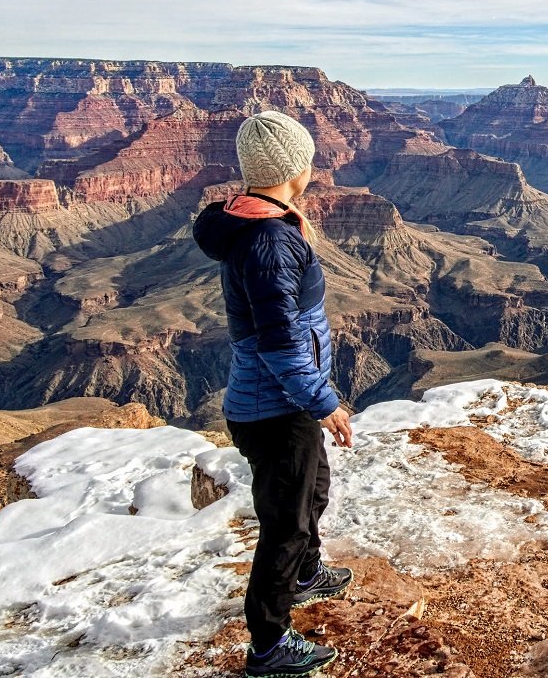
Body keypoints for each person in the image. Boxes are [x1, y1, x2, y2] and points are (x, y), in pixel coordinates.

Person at [193, 109, 355, 677]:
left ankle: (307, 574)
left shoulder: (256, 221)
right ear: (296, 167)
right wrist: (324, 402)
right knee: (283, 524)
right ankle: (269, 645)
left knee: (313, 491)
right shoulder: (269, 240)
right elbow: (281, 341)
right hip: (275, 407)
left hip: (282, 401)